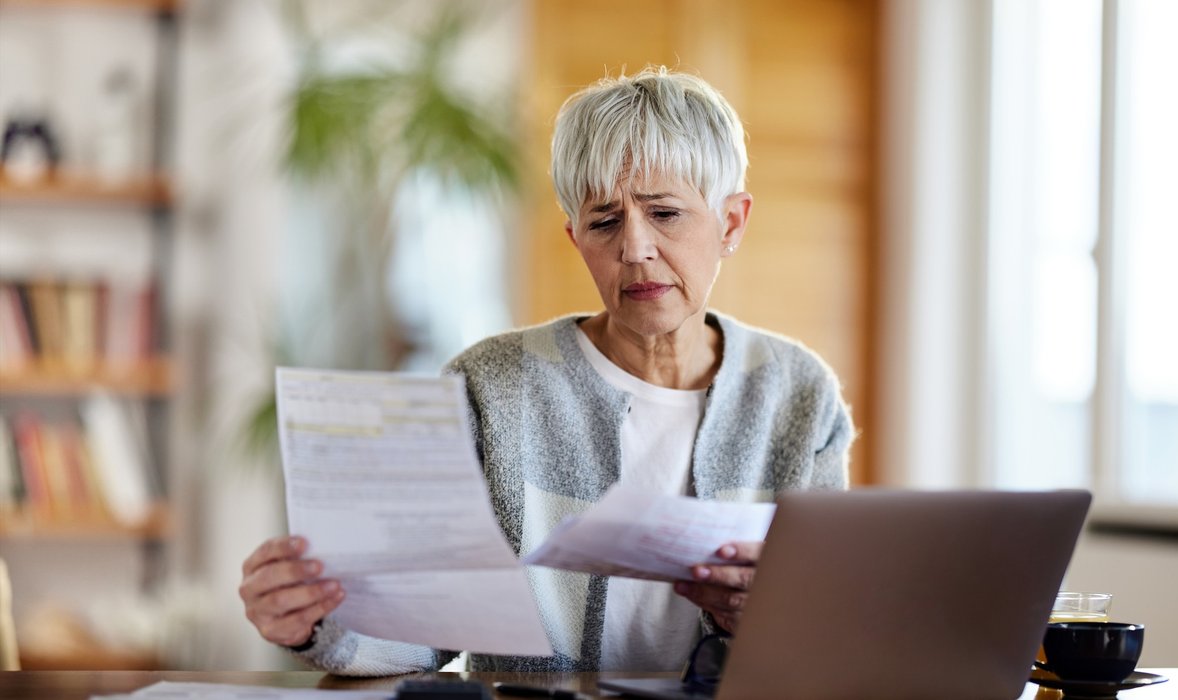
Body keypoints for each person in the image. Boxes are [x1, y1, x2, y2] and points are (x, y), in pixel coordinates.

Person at [239, 66, 854, 676]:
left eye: (665, 213)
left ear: (731, 223)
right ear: (575, 237)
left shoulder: (799, 394)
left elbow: (830, 632)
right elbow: (425, 628)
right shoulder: (490, 386)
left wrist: (768, 618)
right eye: (604, 222)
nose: (635, 248)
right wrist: (317, 623)